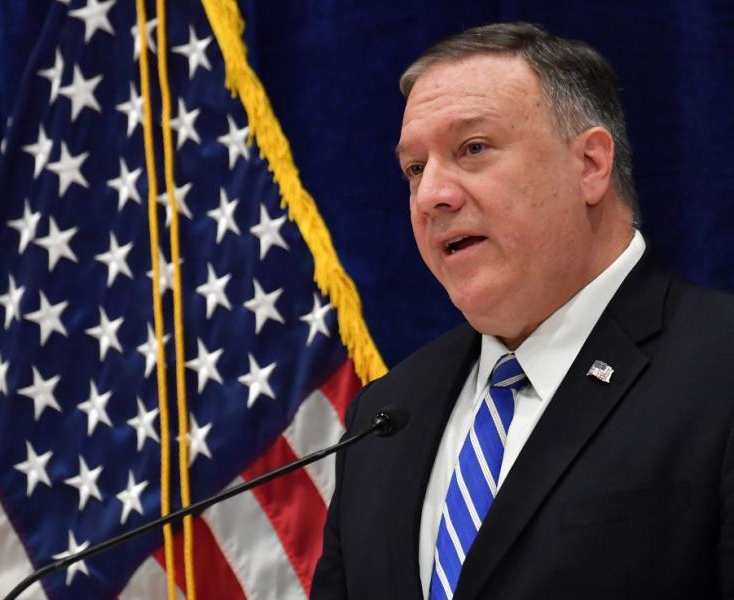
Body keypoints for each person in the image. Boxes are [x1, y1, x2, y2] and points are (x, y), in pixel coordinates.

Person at [311, 22, 734, 600]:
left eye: (473, 149)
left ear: (590, 165)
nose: (431, 195)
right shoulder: (384, 416)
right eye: (415, 168)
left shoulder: (719, 368)